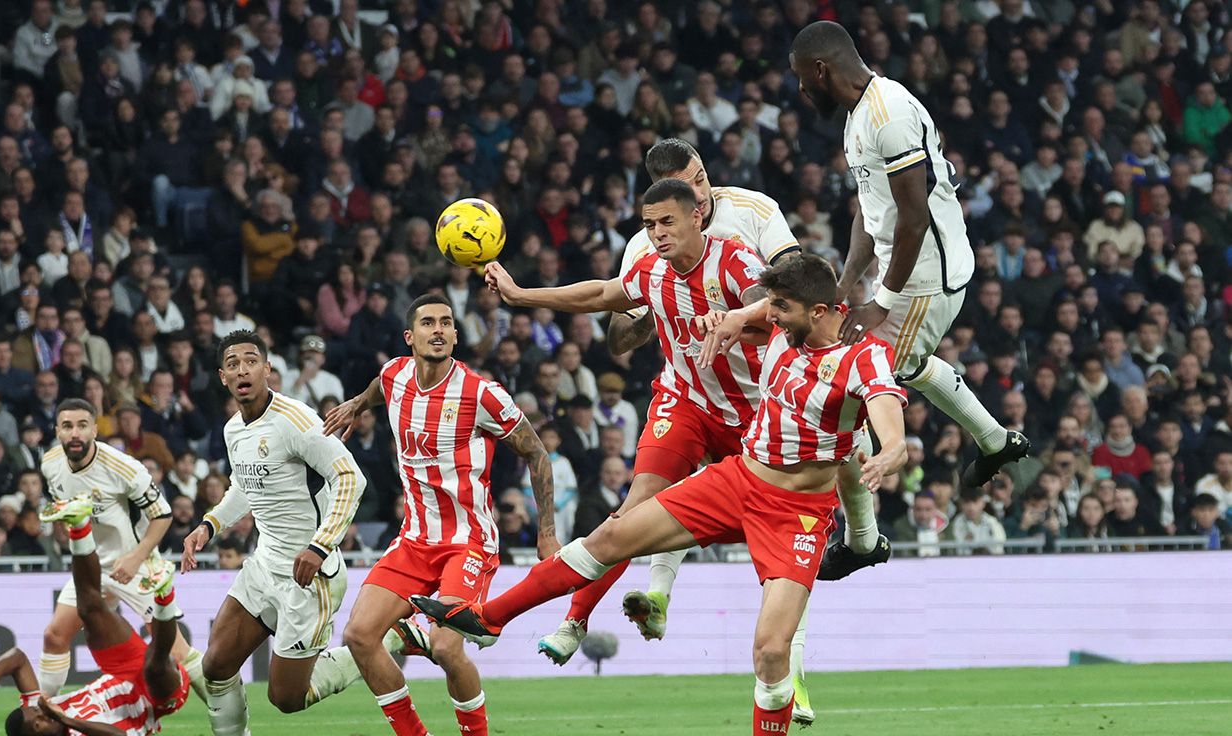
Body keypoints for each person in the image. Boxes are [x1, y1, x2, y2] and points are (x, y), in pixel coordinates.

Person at [415, 253, 907, 736]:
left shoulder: (863, 358)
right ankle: (489, 618)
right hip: (737, 481)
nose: (769, 312)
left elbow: (888, 413)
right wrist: (736, 315)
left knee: (771, 652)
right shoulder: (785, 319)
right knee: (611, 536)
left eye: (779, 307)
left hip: (796, 515)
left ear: (818, 312)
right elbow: (751, 308)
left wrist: (891, 450)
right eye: (770, 304)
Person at [480, 177, 831, 725]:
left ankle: (791, 674)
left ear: (698, 216)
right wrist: (523, 295)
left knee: (781, 568)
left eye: (667, 222)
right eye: (648, 225)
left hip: (753, 417)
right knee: (634, 508)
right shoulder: (651, 270)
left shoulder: (736, 262)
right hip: (688, 403)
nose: (657, 234)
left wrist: (741, 317)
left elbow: (788, 311)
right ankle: (574, 621)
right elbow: (600, 295)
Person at [785, 22, 1029, 577]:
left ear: (822, 70)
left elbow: (914, 216)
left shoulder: (889, 115)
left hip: (924, 279)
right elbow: (873, 213)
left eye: (803, 80)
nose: (802, 92)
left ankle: (864, 539)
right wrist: (847, 284)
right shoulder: (858, 118)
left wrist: (881, 299)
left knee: (848, 393)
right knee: (907, 366)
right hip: (903, 270)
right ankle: (994, 441)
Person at [322, 294, 560, 736]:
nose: (439, 330)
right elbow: (380, 386)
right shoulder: (395, 374)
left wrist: (547, 531)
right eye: (428, 323)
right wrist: (357, 403)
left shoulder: (481, 393)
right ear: (410, 337)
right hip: (414, 539)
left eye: (446, 323)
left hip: (467, 542)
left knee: (446, 646)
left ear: (454, 334)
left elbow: (537, 453)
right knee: (358, 635)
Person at [178, 329, 373, 736]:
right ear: (222, 377)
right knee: (215, 666)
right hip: (266, 564)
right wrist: (208, 525)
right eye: (233, 364)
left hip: (310, 575)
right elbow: (243, 486)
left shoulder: (296, 421)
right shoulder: (234, 430)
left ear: (268, 369)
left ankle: (379, 642)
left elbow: (351, 478)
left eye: (251, 361)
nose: (242, 370)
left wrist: (320, 546)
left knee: (285, 699)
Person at [0, 498, 189, 736]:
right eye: (39, 723)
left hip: (121, 671)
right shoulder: (73, 730)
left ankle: (79, 525)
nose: (42, 715)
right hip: (155, 699)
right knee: (156, 663)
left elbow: (17, 658)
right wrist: (68, 720)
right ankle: (163, 595)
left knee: (89, 609)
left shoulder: (40, 710)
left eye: (36, 713)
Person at [38, 398, 203, 700]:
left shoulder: (123, 467)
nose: (75, 433)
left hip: (136, 565)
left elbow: (163, 515)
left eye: (82, 426)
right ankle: (40, 713)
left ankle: (229, 719)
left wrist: (135, 557)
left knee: (177, 651)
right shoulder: (50, 464)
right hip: (91, 569)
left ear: (94, 431)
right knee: (54, 636)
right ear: (58, 431)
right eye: (67, 426)